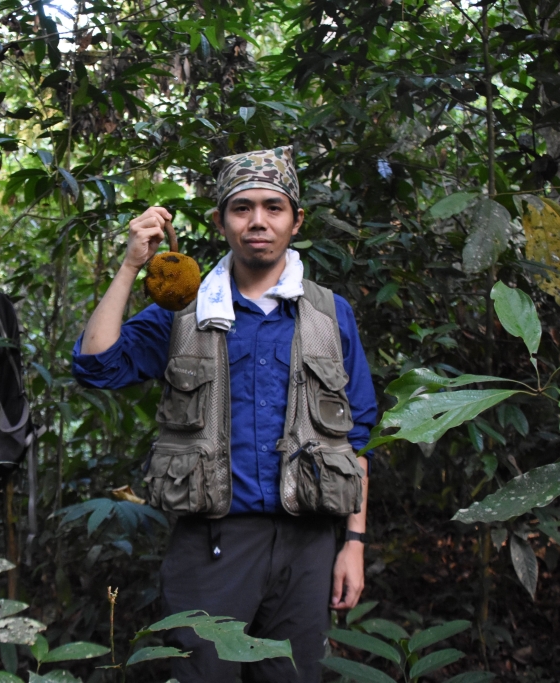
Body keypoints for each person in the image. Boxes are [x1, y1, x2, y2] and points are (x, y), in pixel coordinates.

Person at [72, 147, 378, 682]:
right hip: (211, 546)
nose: (257, 221)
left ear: (295, 220)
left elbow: (358, 435)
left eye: (273, 207)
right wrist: (130, 265)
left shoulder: (330, 314)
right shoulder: (185, 311)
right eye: (241, 209)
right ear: (220, 221)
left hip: (309, 543)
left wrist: (352, 544)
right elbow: (97, 367)